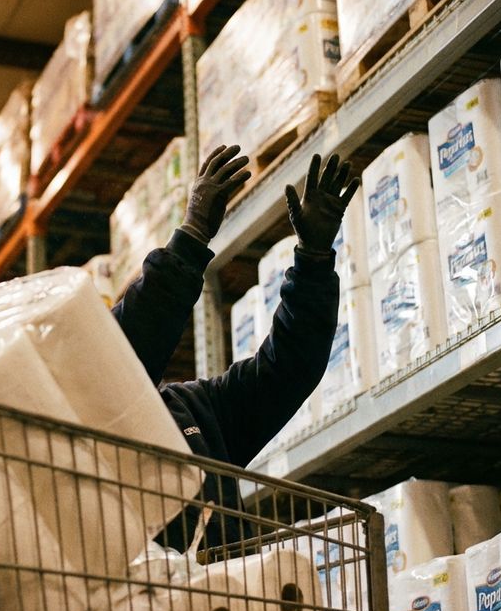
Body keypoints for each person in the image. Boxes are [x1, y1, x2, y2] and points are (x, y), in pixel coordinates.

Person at [111, 145, 360, 549]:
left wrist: (314, 263)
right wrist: (190, 240)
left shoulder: (198, 411)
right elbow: (124, 348)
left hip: (228, 605)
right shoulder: (89, 423)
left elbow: (287, 370)